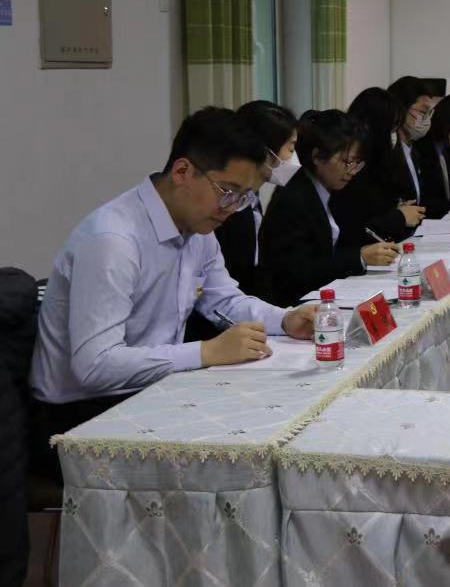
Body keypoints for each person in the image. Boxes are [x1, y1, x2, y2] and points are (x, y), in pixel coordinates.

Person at [29, 108, 319, 478]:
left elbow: (225, 300)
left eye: (243, 197)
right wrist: (206, 352)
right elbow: (95, 366)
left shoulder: (198, 229)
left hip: (149, 391)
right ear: (182, 172)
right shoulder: (113, 240)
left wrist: (285, 319)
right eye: (227, 192)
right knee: (238, 467)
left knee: (280, 425)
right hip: (80, 419)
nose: (231, 208)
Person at [257, 110, 400, 305]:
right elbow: (297, 271)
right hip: (296, 304)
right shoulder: (294, 198)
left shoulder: (332, 188)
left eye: (357, 163)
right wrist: (359, 257)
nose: (351, 171)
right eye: (346, 162)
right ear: (317, 156)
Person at [214, 101, 299, 300]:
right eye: (291, 148)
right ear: (266, 152)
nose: (293, 158)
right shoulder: (229, 205)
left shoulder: (252, 197)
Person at [331, 87, 424, 243]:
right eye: (391, 129)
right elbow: (353, 227)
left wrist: (398, 209)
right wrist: (398, 217)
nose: (394, 136)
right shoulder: (350, 168)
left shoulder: (379, 161)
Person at [386, 75, 434, 204]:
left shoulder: (415, 150)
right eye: (422, 112)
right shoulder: (388, 152)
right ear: (401, 108)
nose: (426, 120)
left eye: (429, 114)